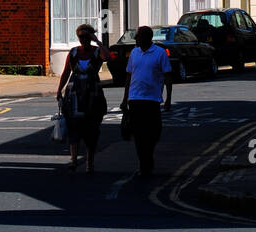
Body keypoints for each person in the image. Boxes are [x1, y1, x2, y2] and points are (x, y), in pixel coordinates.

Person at [56, 24, 111, 173]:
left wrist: (97, 41)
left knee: (92, 129)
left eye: (86, 37)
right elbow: (66, 72)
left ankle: (89, 163)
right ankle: (73, 160)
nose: (83, 40)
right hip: (74, 95)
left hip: (93, 95)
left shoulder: (97, 51)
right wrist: (59, 90)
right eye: (81, 37)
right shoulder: (73, 52)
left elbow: (107, 57)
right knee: (74, 127)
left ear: (91, 37)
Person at [121, 25, 173, 179]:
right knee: (138, 135)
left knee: (154, 133)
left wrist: (168, 98)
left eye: (137, 36)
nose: (136, 39)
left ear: (146, 38)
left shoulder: (160, 53)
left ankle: (147, 158)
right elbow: (129, 76)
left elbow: (168, 76)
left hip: (152, 100)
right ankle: (145, 164)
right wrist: (125, 99)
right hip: (135, 100)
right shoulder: (134, 53)